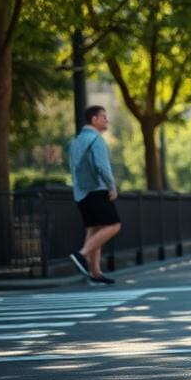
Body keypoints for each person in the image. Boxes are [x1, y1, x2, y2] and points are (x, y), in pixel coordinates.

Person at [68, 105, 122, 284]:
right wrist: (111, 186)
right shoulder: (95, 140)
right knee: (114, 225)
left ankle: (95, 274)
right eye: (104, 117)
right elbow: (102, 166)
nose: (107, 120)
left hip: (81, 193)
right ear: (94, 120)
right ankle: (81, 255)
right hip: (97, 190)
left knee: (94, 230)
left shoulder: (75, 141)